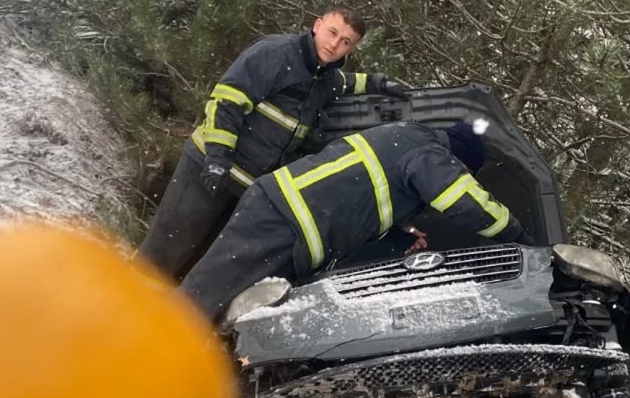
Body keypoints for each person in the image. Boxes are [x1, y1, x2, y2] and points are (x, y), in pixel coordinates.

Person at [139, 7, 407, 280]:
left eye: (346, 42)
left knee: (198, 265)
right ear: (317, 25)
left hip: (247, 187)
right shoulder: (276, 53)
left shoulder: (325, 78)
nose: (335, 44)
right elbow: (227, 101)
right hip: (208, 168)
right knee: (164, 252)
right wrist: (218, 158)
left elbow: (345, 84)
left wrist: (376, 83)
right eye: (333, 32)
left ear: (350, 50)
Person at [180, 119, 531, 325]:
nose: (462, 176)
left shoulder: (407, 139)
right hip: (283, 216)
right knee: (203, 298)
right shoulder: (428, 151)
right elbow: (463, 201)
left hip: (289, 217)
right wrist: (518, 236)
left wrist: (398, 234)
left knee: (243, 310)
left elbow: (363, 199)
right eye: (466, 171)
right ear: (460, 159)